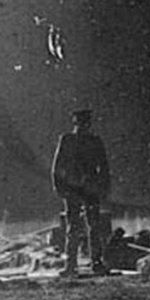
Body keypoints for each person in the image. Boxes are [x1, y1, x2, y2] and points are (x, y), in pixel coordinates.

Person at [51, 108, 111, 276]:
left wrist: (103, 187)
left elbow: (104, 167)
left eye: (85, 124)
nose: (84, 127)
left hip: (88, 189)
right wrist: (59, 187)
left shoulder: (93, 141)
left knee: (92, 227)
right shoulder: (67, 140)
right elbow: (57, 167)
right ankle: (72, 265)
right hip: (74, 190)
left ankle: (94, 263)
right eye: (81, 124)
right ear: (77, 124)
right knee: (75, 227)